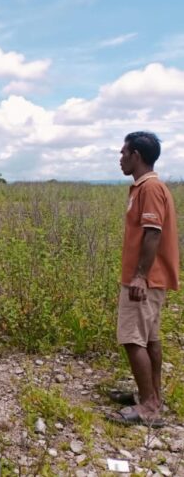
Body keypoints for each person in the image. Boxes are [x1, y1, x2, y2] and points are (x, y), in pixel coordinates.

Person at [107, 132, 178, 427]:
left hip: (145, 280)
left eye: (123, 152)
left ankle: (149, 406)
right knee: (149, 338)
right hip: (151, 278)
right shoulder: (143, 187)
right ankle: (150, 396)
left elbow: (153, 233)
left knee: (132, 338)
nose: (120, 158)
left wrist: (139, 277)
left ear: (136, 155)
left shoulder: (149, 187)